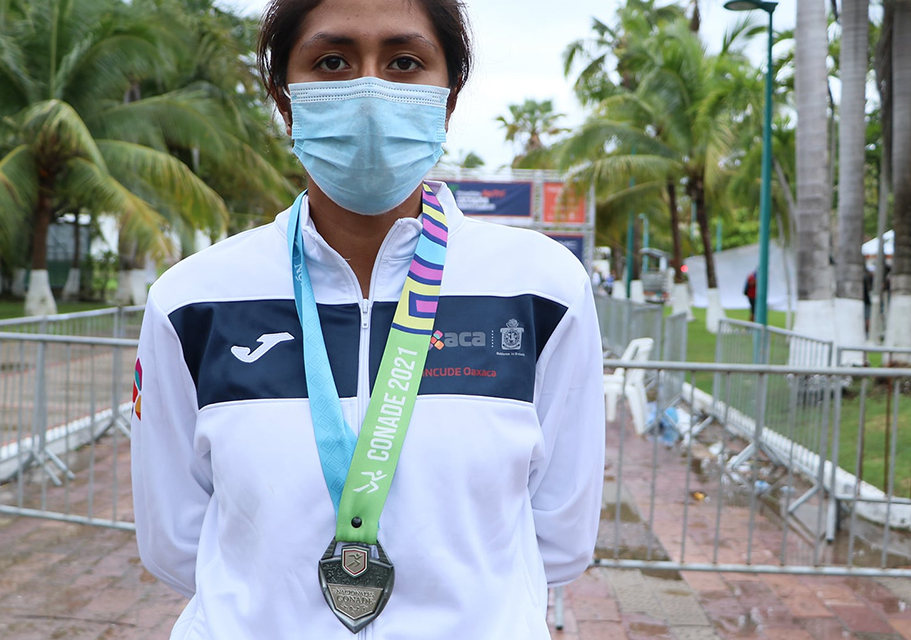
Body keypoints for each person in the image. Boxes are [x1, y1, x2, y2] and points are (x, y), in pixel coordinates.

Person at [129, 1, 604, 638]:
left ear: (448, 97)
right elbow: (175, 540)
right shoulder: (192, 301)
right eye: (332, 61)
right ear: (284, 97)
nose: (370, 89)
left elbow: (562, 536)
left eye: (405, 62)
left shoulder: (542, 290)